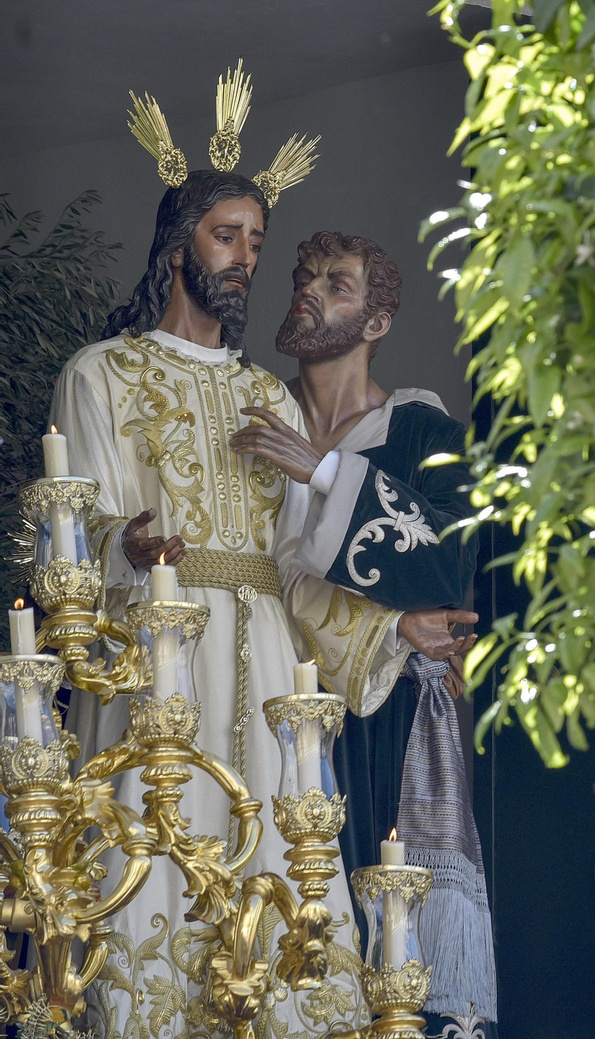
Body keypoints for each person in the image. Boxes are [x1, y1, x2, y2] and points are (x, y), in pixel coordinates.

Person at [53, 78, 470, 1039]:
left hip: (271, 668)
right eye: (226, 236)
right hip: (161, 654)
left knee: (285, 875)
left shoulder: (265, 400)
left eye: (254, 240)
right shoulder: (101, 373)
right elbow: (79, 534)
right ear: (177, 243)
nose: (246, 258)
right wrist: (130, 545)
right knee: (157, 855)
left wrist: (389, 625)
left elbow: (294, 563)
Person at [233, 229, 496, 1036]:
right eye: (304, 278)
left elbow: (454, 562)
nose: (310, 290)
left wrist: (322, 474)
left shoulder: (419, 432)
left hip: (384, 717)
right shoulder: (252, 418)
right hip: (267, 697)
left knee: (388, 930)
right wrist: (390, 618)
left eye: (338, 285)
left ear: (376, 322)